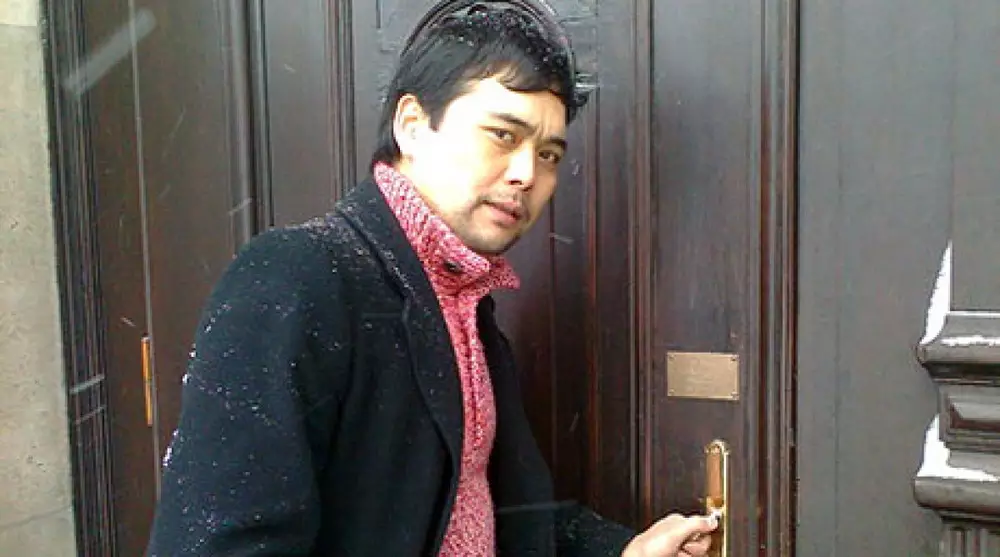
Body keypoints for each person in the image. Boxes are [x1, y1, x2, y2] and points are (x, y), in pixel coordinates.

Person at [145, 1, 718, 555]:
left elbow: (487, 507)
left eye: (548, 154)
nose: (526, 173)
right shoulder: (297, 278)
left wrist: (623, 549)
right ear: (413, 125)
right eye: (503, 135)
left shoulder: (464, 299)